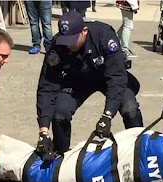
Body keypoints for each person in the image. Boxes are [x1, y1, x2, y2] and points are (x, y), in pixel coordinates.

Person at [36, 11, 144, 157]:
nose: (69, 45)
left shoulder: (104, 36)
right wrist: (43, 130)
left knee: (129, 107)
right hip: (77, 80)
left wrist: (108, 115)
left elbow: (117, 78)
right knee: (60, 112)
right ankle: (60, 154)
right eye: (65, 41)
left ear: (84, 31)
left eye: (73, 40)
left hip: (107, 77)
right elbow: (47, 86)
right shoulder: (58, 45)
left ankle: (139, 150)